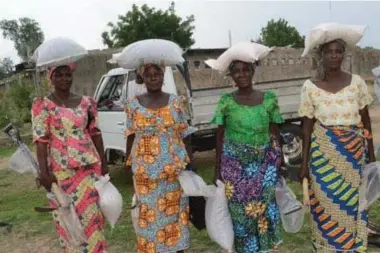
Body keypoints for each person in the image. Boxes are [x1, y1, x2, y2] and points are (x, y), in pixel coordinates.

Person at [299, 39, 376, 253]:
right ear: (321, 55)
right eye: (329, 52)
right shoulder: (310, 87)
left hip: (353, 158)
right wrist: (304, 165)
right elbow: (306, 129)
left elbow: (366, 121)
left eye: (338, 51)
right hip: (322, 159)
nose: (334, 55)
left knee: (352, 207)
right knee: (325, 206)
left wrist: (371, 156)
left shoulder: (357, 83)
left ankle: (350, 248)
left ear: (344, 55)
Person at [32, 64, 108, 252]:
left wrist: (104, 164)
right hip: (61, 175)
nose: (64, 78)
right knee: (68, 221)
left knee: (93, 219)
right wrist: (44, 174)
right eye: (59, 75)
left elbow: (95, 134)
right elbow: (40, 141)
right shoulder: (43, 105)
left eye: (68, 74)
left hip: (89, 172)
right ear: (51, 78)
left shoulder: (86, 103)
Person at [212, 60, 285, 253]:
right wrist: (217, 169)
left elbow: (275, 131)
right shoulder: (225, 101)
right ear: (232, 76)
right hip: (234, 168)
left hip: (264, 166)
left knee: (264, 209)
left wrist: (281, 161)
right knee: (239, 213)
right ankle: (245, 249)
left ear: (253, 72)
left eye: (246, 70)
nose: (242, 74)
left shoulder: (269, 98)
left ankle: (264, 248)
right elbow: (219, 136)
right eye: (236, 71)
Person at [124, 63, 195, 253]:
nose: (154, 78)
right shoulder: (133, 104)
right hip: (145, 175)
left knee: (174, 216)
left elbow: (184, 133)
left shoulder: (175, 102)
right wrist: (128, 165)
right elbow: (131, 134)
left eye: (157, 74)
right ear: (143, 78)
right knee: (149, 218)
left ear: (163, 76)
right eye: (149, 75)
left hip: (174, 172)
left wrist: (190, 164)